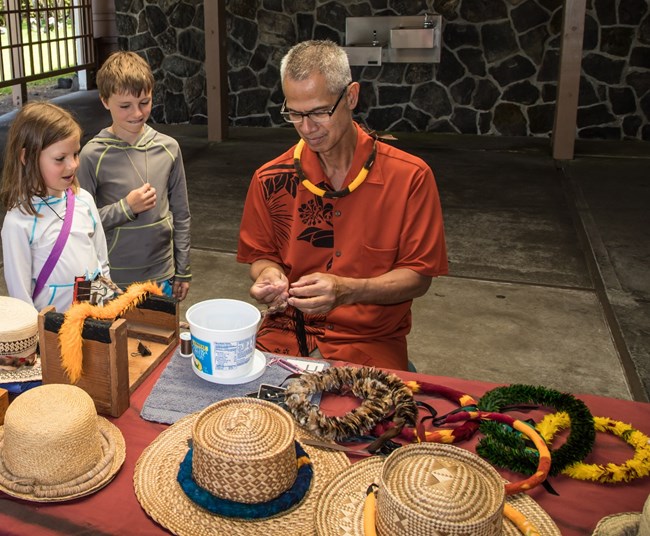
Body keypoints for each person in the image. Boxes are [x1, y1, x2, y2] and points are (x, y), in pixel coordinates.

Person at [237, 40, 448, 370]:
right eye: (295, 113)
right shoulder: (270, 179)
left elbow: (419, 277)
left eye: (320, 112)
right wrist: (269, 274)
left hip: (370, 342)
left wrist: (348, 290)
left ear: (351, 96)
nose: (307, 128)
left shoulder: (409, 177)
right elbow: (262, 255)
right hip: (286, 334)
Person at [77, 51, 191, 300]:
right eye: (125, 106)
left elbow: (181, 214)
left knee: (162, 337)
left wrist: (183, 270)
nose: (137, 113)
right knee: (107, 338)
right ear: (105, 101)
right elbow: (81, 223)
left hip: (162, 274)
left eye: (145, 102)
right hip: (107, 277)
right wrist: (126, 207)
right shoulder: (90, 155)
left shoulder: (168, 148)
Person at [1, 102, 111, 312]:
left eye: (76, 154)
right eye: (60, 159)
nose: (73, 165)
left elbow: (101, 263)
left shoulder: (84, 200)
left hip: (96, 324)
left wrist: (106, 315)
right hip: (53, 336)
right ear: (27, 157)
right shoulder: (18, 222)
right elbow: (21, 299)